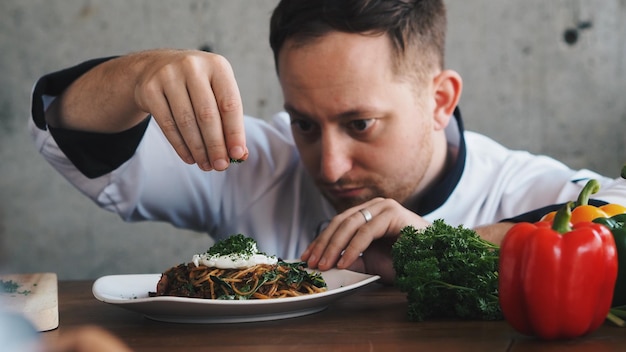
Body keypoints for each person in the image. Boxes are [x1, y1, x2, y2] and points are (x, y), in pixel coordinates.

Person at [29, 0, 626, 283]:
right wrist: (135, 76)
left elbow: (617, 221)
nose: (331, 165)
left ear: (440, 100)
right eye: (305, 124)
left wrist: (442, 247)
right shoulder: (252, 161)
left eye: (360, 123)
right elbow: (74, 134)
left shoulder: (523, 186)